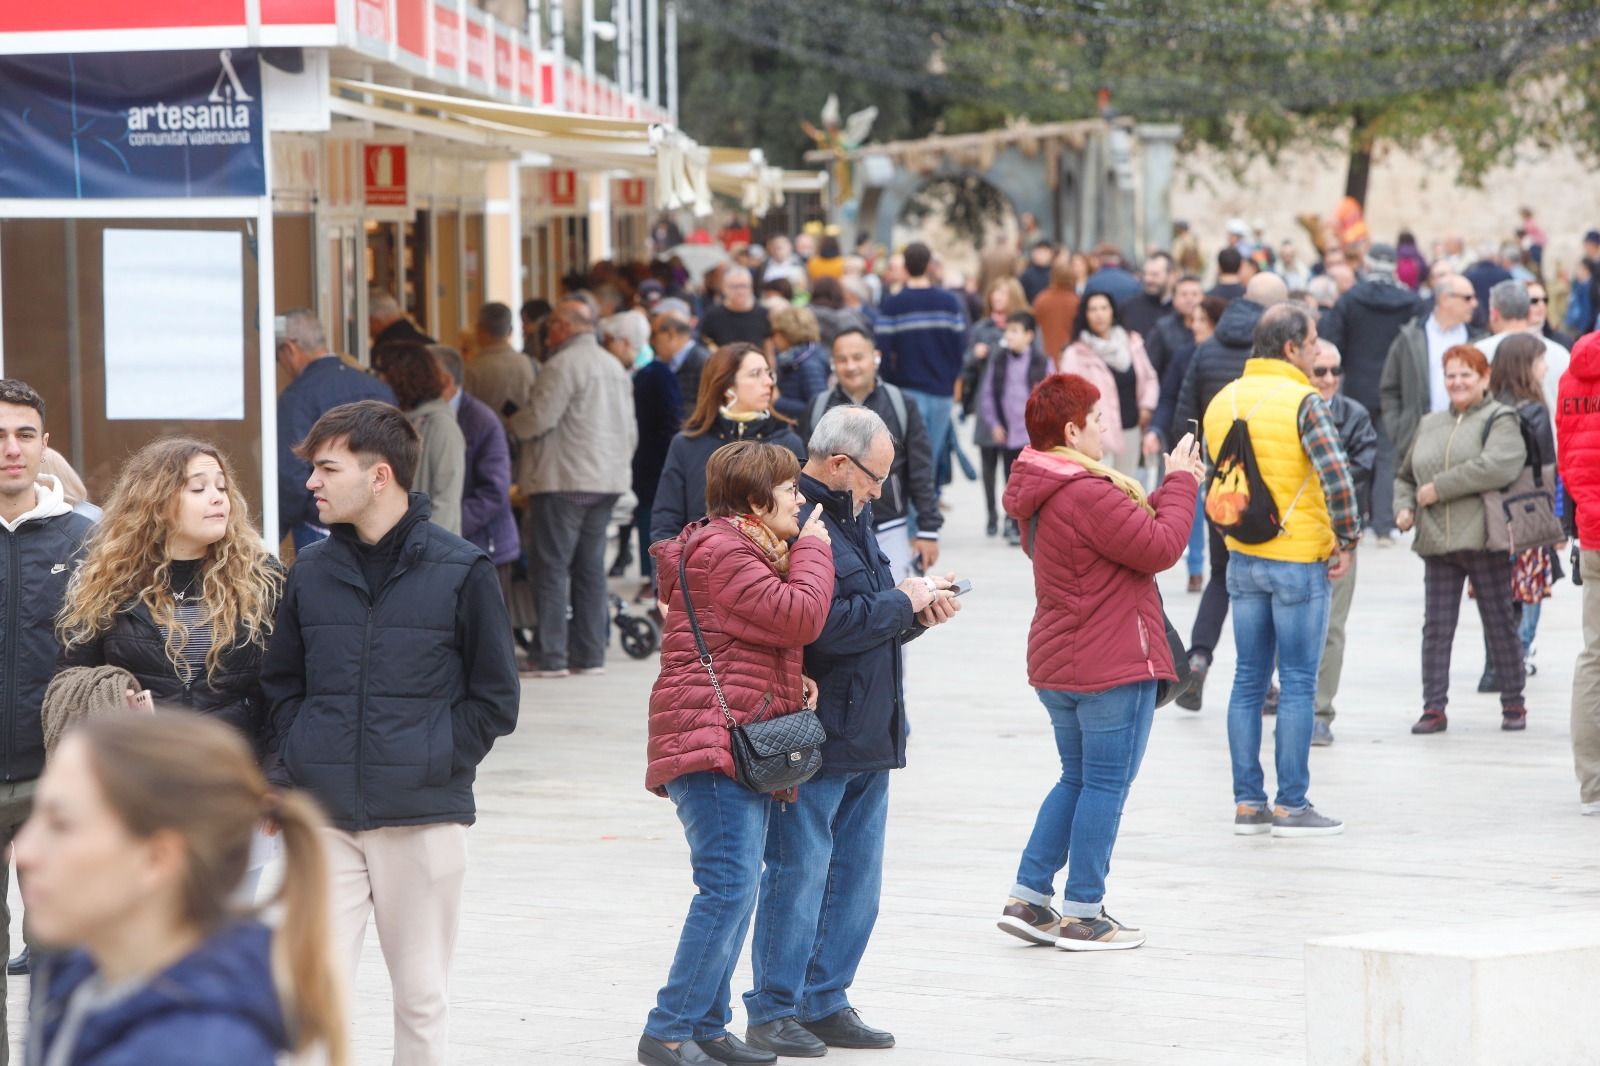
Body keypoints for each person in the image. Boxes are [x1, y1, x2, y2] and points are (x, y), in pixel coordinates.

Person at [261, 400, 520, 1065]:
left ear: (379, 476)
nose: (311, 484)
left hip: (422, 815)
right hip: (321, 815)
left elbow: (495, 699)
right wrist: (299, 755)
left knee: (421, 998)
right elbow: (282, 684)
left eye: (326, 468)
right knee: (311, 993)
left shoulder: (462, 569)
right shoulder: (310, 571)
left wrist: (435, 757)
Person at [741, 407, 959, 1058]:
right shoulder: (797, 519)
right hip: (817, 729)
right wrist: (902, 603)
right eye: (875, 478)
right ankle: (775, 1008)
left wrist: (916, 613)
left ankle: (826, 999)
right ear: (839, 463)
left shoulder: (852, 512)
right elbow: (820, 625)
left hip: (870, 723)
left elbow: (871, 608)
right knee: (800, 871)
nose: (879, 492)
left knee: (857, 879)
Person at [639, 442, 835, 1066]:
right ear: (757, 501)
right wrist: (814, 549)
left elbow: (749, 641)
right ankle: (668, 1029)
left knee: (735, 886)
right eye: (790, 491)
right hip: (708, 745)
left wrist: (789, 686)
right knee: (725, 887)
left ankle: (707, 1024)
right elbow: (800, 615)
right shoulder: (726, 549)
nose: (801, 501)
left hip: (726, 736)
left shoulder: (741, 546)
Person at [997, 374, 1204, 948]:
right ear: (1071, 430)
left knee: (1078, 778)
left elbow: (1133, 536)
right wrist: (1185, 483)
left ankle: (1030, 899)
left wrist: (1169, 487)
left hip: (1061, 662)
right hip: (1109, 663)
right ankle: (1085, 913)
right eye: (1098, 418)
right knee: (1105, 786)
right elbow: (1162, 548)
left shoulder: (1049, 485)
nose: (1106, 426)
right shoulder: (1088, 490)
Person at [19, 715, 345, 1066]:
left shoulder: (197, 1051)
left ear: (157, 858)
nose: (21, 851)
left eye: (60, 823)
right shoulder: (84, 984)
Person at [56, 436, 283, 897]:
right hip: (142, 792)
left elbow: (285, 692)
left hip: (232, 788)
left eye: (221, 486)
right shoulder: (106, 581)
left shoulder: (264, 579)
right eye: (197, 488)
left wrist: (276, 777)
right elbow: (70, 682)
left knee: (223, 942)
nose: (218, 497)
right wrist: (113, 701)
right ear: (157, 502)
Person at [1203, 303, 1358, 836]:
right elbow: (1336, 476)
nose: (1318, 351)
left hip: (1244, 558)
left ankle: (1249, 802)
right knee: (1296, 682)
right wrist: (1349, 538)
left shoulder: (1223, 399)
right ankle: (1292, 802)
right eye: (1313, 342)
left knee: (1248, 679)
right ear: (1291, 348)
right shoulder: (1305, 402)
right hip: (1297, 560)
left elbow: (1215, 479)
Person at [0, 379, 95, 1008]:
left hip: (54, 774)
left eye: (24, 435)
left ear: (45, 445)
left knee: (58, 957)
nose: (11, 448)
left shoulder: (86, 541)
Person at [1394, 345, 1527, 735]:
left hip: (1483, 538)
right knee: (1435, 627)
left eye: (1466, 374)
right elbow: (1405, 476)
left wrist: (1439, 489)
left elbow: (1498, 466)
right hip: (1436, 541)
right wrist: (1404, 506)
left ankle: (1513, 702)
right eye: (1451, 374)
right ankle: (1433, 708)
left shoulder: (1500, 418)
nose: (1457, 382)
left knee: (1499, 622)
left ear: (1484, 379)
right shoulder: (1430, 423)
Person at [1171, 272, 1289, 707]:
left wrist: (1192, 472)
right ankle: (1263, 684)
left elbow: (1185, 420)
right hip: (1275, 488)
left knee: (1222, 576)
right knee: (1272, 584)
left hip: (1222, 485)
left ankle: (1198, 660)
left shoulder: (1207, 350)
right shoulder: (1281, 354)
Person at [508, 296, 637, 677]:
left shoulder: (561, 365)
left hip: (564, 480)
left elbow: (537, 420)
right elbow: (631, 430)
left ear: (563, 327)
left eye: (550, 329)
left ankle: (551, 656)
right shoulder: (614, 365)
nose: (546, 337)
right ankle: (590, 653)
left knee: (551, 569)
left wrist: (512, 423)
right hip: (606, 480)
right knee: (590, 569)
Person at [803, 328, 942, 578]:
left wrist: (927, 529)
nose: (850, 366)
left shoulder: (901, 403)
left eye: (858, 357)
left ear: (875, 357)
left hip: (890, 524)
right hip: (832, 526)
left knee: (897, 599)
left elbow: (921, 469)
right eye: (842, 359)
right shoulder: (819, 406)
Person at [651, 344, 806, 546]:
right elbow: (666, 520)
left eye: (769, 374)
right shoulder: (686, 444)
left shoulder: (787, 442)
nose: (768, 382)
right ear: (726, 386)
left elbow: (800, 517)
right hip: (700, 568)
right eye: (755, 374)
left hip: (771, 572)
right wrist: (669, 573)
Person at [1319, 242, 1420, 545]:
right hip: (1395, 386)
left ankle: (1356, 518)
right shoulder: (1409, 301)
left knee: (1354, 451)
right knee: (1388, 455)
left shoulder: (1351, 299)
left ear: (1368, 265)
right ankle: (1384, 526)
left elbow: (1333, 340)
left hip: (1357, 385)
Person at [275, 309, 395, 548]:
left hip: (322, 526)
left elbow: (293, 477)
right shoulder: (377, 388)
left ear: (290, 348)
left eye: (277, 358)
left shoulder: (297, 396)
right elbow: (397, 453)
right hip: (380, 520)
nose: (281, 366)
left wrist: (275, 530)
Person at [1308, 341, 1378, 746]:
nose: (1329, 379)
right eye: (1320, 371)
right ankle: (1294, 704)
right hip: (1289, 537)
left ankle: (1320, 712)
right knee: (1290, 628)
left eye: (1335, 371)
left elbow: (1362, 468)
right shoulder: (1289, 411)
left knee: (1331, 627)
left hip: (1337, 534)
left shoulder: (1353, 415)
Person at [1482, 335, 1560, 689]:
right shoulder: (1534, 409)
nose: (1545, 368)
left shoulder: (1488, 406)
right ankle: (1517, 657)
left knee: (1497, 591)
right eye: (1540, 361)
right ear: (1525, 366)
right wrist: (1554, 522)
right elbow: (1545, 468)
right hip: (1528, 511)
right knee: (1526, 589)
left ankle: (1494, 664)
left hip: (1492, 511)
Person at [877, 242, 968, 502]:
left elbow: (883, 350)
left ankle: (913, 523)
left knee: (908, 459)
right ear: (929, 265)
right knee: (930, 458)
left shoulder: (894, 304)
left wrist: (892, 380)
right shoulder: (949, 302)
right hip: (940, 391)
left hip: (905, 390)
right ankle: (926, 518)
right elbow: (960, 348)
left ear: (905, 267)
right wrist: (950, 378)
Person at [1379, 273, 1484, 491]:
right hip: (1417, 441)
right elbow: (1390, 388)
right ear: (1445, 299)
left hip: (1466, 442)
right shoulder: (1410, 337)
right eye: (1467, 298)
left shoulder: (1478, 340)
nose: (1474, 303)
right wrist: (1401, 431)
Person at [431, 345, 519, 597]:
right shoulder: (424, 418)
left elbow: (493, 491)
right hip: (451, 543)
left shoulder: (481, 420)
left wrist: (449, 524)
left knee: (488, 632)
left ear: (446, 382)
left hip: (485, 546)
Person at [1558, 332, 1600, 813]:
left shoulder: (1574, 375)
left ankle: (1593, 783)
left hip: (1591, 529)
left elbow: (1568, 452)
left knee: (1594, 654)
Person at [1058, 291, 1158, 479]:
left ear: (1112, 311)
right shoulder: (1076, 353)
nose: (1099, 314)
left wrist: (1146, 407)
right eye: (1093, 309)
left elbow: (1149, 377)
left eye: (1104, 308)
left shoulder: (1131, 342)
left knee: (1128, 485)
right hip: (1096, 433)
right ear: (1085, 315)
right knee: (1103, 486)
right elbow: (1067, 396)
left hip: (1131, 427)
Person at [376, 342, 465, 536]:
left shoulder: (441, 426)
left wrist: (422, 550)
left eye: (384, 374)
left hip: (429, 553)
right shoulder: (403, 421)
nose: (378, 380)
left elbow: (445, 502)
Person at [977, 312, 1051, 544]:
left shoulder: (1042, 361)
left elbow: (1051, 396)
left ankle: (1021, 523)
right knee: (1010, 479)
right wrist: (994, 423)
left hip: (1031, 435)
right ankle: (1009, 521)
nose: (1009, 336)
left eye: (1015, 331)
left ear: (1029, 335)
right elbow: (987, 394)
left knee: (1029, 481)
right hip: (1007, 432)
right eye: (1008, 331)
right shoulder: (999, 360)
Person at [627, 326, 684, 596]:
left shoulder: (654, 373)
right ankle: (653, 577)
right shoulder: (657, 372)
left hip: (650, 457)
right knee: (651, 516)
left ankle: (652, 577)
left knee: (650, 517)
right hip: (654, 457)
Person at [1474, 279, 1572, 410]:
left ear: (1494, 314)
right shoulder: (1559, 353)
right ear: (1528, 311)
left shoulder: (1479, 352)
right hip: (1553, 428)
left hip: (1498, 429)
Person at [464, 301, 537, 434]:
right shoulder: (527, 363)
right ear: (510, 331)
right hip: (521, 440)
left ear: (479, 329)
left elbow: (465, 412)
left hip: (485, 439)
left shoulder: (473, 369)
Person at [770, 306, 830, 423]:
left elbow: (818, 409)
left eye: (775, 333)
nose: (773, 339)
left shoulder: (810, 365)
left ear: (787, 334)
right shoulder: (789, 359)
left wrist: (778, 402)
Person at [651, 308, 712, 421]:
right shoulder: (664, 363)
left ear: (670, 334)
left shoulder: (704, 363)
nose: (652, 342)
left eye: (654, 335)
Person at [1144, 274, 1202, 383]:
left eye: (1194, 294)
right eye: (1184, 294)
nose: (1189, 299)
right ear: (1174, 299)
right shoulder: (1162, 328)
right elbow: (1151, 369)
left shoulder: (1212, 327)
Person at [701, 267, 772, 349]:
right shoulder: (712, 315)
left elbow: (768, 348)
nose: (740, 291)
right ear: (724, 288)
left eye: (744, 286)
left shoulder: (763, 314)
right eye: (735, 287)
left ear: (751, 288)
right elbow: (704, 342)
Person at [1031, 257, 1081, 360]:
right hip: (1068, 354)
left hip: (1044, 353)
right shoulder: (1076, 302)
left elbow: (1033, 324)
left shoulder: (1042, 298)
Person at [1117, 253, 1172, 341]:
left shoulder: (1179, 308)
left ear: (1170, 276)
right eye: (1145, 274)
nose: (1148, 279)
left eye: (1155, 275)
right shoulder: (1129, 306)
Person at [367, 288, 434, 360]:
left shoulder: (386, 352)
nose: (367, 330)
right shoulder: (429, 345)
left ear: (372, 319)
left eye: (367, 323)